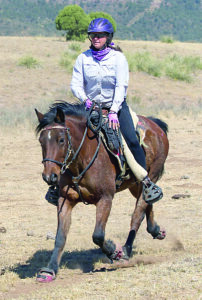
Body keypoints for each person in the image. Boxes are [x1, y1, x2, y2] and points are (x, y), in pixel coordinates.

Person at [70, 18, 163, 204]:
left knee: (131, 140)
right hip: (90, 107)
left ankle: (145, 183)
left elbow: (121, 86)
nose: (96, 38)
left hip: (116, 107)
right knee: (67, 135)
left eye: (100, 35)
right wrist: (86, 100)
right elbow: (75, 84)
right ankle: (59, 186)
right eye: (93, 35)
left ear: (108, 37)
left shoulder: (118, 59)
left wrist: (113, 111)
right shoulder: (83, 58)